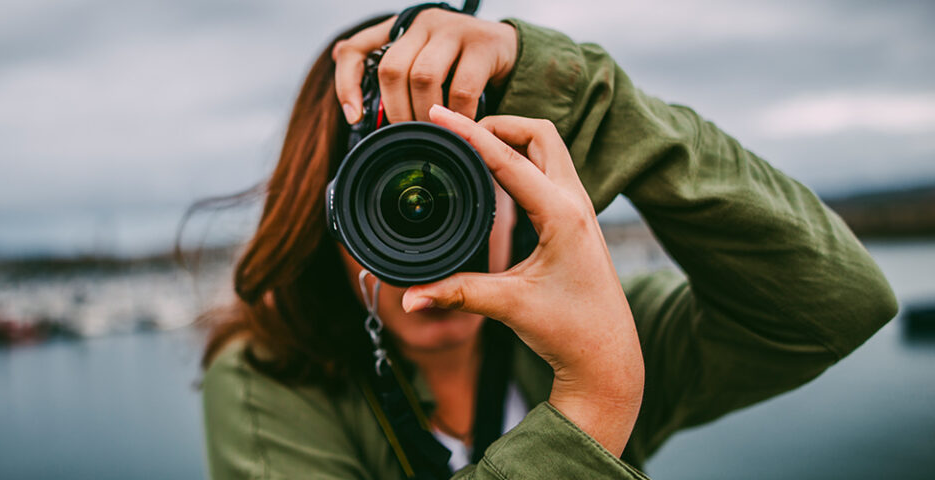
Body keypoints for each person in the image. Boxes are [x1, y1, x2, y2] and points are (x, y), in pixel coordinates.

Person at [199, 9, 898, 479]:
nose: (429, 243)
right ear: (324, 218)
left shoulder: (606, 327)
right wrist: (593, 404)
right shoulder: (267, 381)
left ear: (522, 192)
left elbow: (838, 304)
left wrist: (588, 96)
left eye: (465, 184)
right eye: (384, 202)